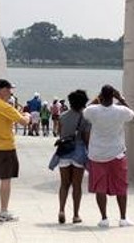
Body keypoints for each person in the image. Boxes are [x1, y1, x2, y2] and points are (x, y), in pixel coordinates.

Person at [83, 84, 134, 228]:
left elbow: (85, 110)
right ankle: (123, 218)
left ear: (101, 96)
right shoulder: (121, 111)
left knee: (100, 187)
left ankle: (104, 218)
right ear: (113, 96)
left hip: (97, 154)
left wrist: (97, 98)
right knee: (121, 186)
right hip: (117, 153)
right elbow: (133, 114)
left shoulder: (93, 111)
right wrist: (121, 98)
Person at [0, 79, 31, 222]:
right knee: (5, 179)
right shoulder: (4, 106)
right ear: (1, 90)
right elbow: (23, 121)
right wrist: (27, 115)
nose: (11, 92)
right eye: (9, 89)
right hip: (5, 148)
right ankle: (3, 211)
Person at [49, 89, 91, 224]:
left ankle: (61, 210)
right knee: (77, 185)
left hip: (64, 152)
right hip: (78, 152)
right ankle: (76, 215)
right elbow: (86, 138)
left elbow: (61, 135)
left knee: (64, 184)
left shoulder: (62, 116)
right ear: (84, 102)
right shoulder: (85, 118)